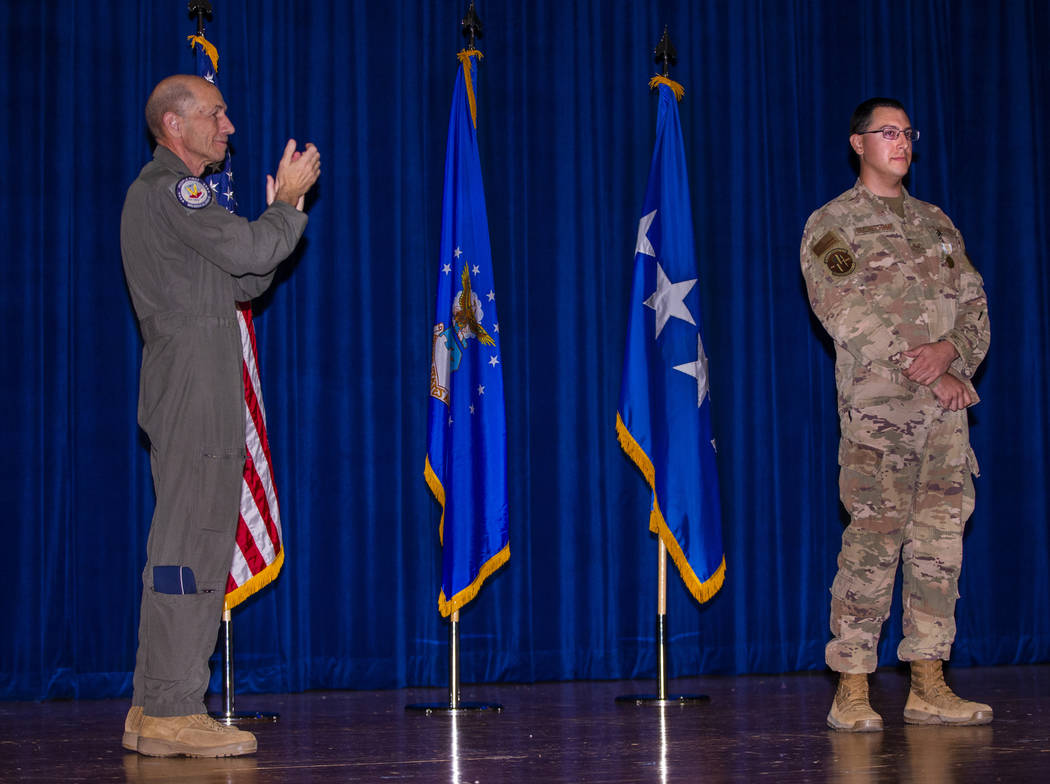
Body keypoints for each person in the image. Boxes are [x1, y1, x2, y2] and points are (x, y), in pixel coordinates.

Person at [120, 74, 320, 757]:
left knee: (183, 547)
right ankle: (174, 709)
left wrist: (273, 225)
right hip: (194, 391)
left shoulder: (171, 200)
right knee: (193, 549)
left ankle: (153, 705)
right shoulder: (176, 190)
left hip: (190, 387)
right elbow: (252, 251)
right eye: (216, 114)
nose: (228, 126)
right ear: (175, 126)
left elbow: (246, 279)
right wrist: (288, 205)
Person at [800, 97, 992, 732]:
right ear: (859, 144)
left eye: (908, 132)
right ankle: (851, 687)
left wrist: (953, 354)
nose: (901, 141)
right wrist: (926, 367)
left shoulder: (937, 223)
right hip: (881, 417)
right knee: (873, 543)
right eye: (887, 132)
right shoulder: (833, 224)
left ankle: (929, 684)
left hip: (945, 417)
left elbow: (974, 304)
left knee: (939, 547)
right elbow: (844, 311)